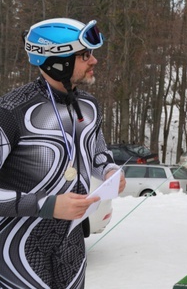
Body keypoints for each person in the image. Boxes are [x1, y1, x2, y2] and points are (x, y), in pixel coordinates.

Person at [0, 17, 126, 288]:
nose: (94, 61)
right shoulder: (10, 111)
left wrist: (109, 170)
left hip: (71, 245)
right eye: (84, 55)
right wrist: (47, 204)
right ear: (59, 62)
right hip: (16, 248)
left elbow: (96, 151)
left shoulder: (88, 105)